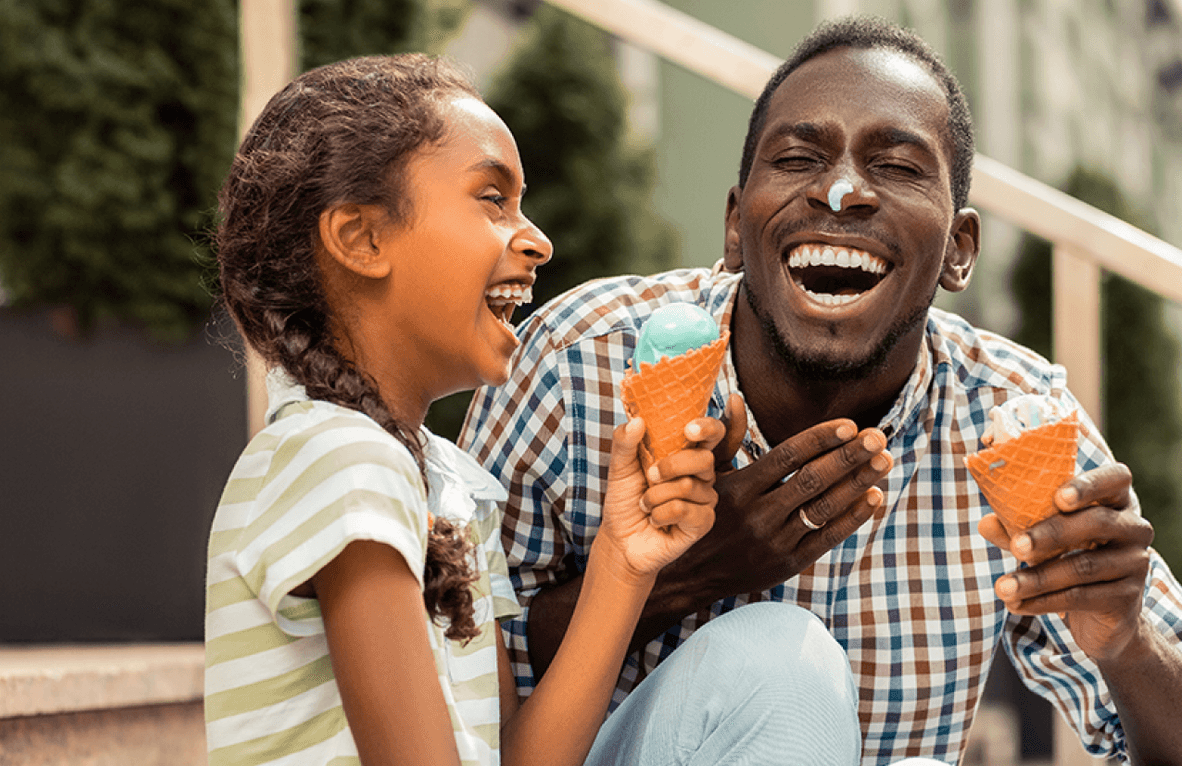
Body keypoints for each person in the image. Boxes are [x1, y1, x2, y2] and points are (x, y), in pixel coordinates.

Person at [462, 16, 1182, 765]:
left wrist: (1127, 643)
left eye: (898, 166)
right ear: (737, 227)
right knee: (779, 662)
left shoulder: (1014, 420)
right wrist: (689, 575)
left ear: (959, 251)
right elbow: (455, 669)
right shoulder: (580, 362)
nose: (841, 192)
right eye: (799, 157)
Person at [205, 53, 859, 766]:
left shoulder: (449, 483)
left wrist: (624, 557)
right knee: (784, 664)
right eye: (493, 199)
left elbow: (518, 757)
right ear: (363, 239)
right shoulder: (339, 457)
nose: (537, 239)